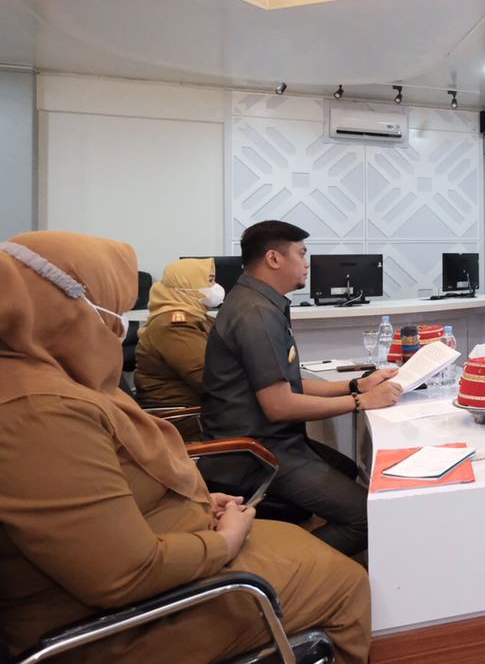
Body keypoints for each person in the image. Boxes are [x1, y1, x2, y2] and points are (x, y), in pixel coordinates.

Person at [0, 232, 370, 663]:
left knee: (324, 519)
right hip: (120, 622)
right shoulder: (39, 412)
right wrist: (226, 541)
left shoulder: (59, 381)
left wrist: (197, 501)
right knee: (349, 579)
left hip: (170, 548)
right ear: (62, 308)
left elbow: (102, 495)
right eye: (112, 311)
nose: (119, 326)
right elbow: (124, 573)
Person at [202, 221, 403, 560]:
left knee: (347, 470)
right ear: (273, 259)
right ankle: (284, 569)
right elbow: (279, 406)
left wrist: (355, 385)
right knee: (367, 517)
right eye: (301, 253)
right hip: (255, 452)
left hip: (273, 440)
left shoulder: (260, 302)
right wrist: (360, 401)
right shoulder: (255, 313)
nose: (307, 263)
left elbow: (288, 385)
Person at [133, 257, 221, 441]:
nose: (215, 286)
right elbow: (209, 378)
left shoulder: (199, 317)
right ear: (187, 286)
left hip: (200, 410)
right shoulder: (174, 326)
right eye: (209, 280)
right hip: (184, 420)